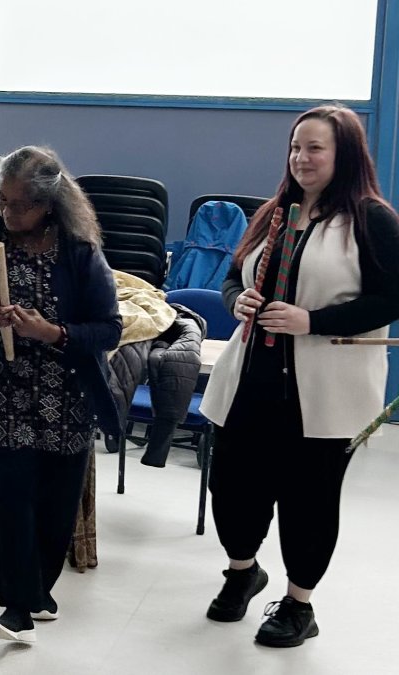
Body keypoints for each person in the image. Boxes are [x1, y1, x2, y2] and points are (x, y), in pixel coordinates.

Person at [200, 104, 399, 648]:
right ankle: (242, 573)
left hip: (324, 388)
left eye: (315, 148)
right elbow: (234, 275)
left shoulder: (370, 219)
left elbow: (391, 298)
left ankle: (298, 605)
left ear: (345, 154)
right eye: (295, 146)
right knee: (233, 487)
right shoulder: (274, 211)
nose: (301, 158)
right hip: (251, 378)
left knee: (308, 501)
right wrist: (235, 299)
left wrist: (313, 321)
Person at [0, 146, 122, 643]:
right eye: (3, 199)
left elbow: (109, 329)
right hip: (3, 389)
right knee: (15, 494)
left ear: (50, 205)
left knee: (57, 503)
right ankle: (17, 608)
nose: (9, 212)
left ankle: (40, 589)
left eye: (22, 205)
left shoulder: (79, 250)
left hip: (67, 395)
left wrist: (53, 333)